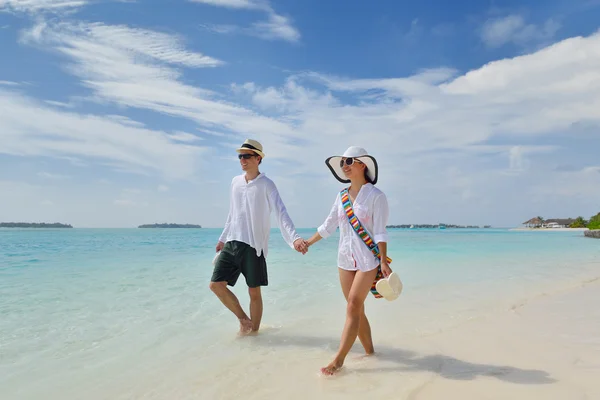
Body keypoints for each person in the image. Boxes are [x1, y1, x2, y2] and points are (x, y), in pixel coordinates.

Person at [304, 146, 392, 375]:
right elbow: (328, 225)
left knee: (353, 304)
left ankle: (339, 359)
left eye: (349, 161)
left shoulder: (376, 196)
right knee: (357, 309)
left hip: (367, 260)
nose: (344, 166)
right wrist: (308, 243)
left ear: (363, 164)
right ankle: (371, 353)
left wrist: (383, 261)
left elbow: (380, 232)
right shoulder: (341, 196)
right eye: (342, 163)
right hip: (345, 259)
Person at [210, 139, 309, 335]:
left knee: (254, 292)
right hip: (232, 242)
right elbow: (232, 213)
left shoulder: (267, 184)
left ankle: (254, 334)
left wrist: (295, 238)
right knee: (215, 285)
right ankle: (243, 320)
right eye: (240, 156)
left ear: (258, 158)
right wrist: (222, 238)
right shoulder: (235, 182)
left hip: (254, 246)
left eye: (246, 156)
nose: (242, 160)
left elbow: (281, 212)